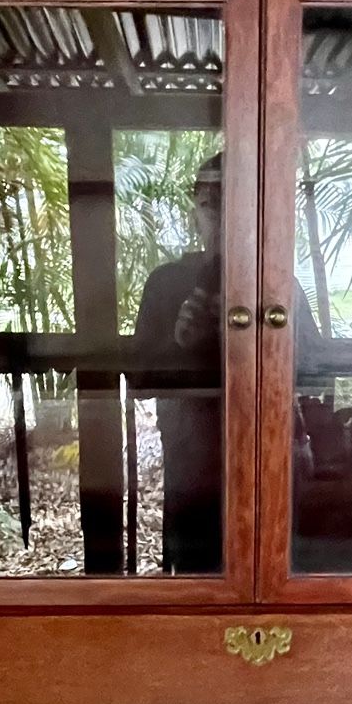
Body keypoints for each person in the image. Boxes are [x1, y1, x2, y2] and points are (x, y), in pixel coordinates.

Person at [131, 153, 225, 573]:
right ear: (194, 214)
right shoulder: (166, 283)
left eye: (233, 201)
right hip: (191, 462)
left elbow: (309, 371)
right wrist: (179, 340)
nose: (221, 217)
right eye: (209, 204)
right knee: (195, 570)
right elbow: (141, 381)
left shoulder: (278, 282)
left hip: (268, 465)